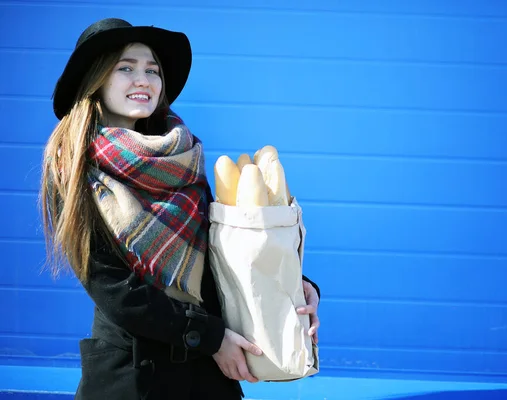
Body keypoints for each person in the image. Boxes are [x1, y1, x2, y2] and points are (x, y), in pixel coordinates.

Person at [40, 18, 321, 399]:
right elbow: (115, 290)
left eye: (152, 70)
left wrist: (293, 286)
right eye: (126, 68)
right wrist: (211, 338)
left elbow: (222, 257)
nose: (143, 79)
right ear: (96, 80)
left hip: (207, 375)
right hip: (133, 377)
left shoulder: (183, 157)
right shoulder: (74, 170)